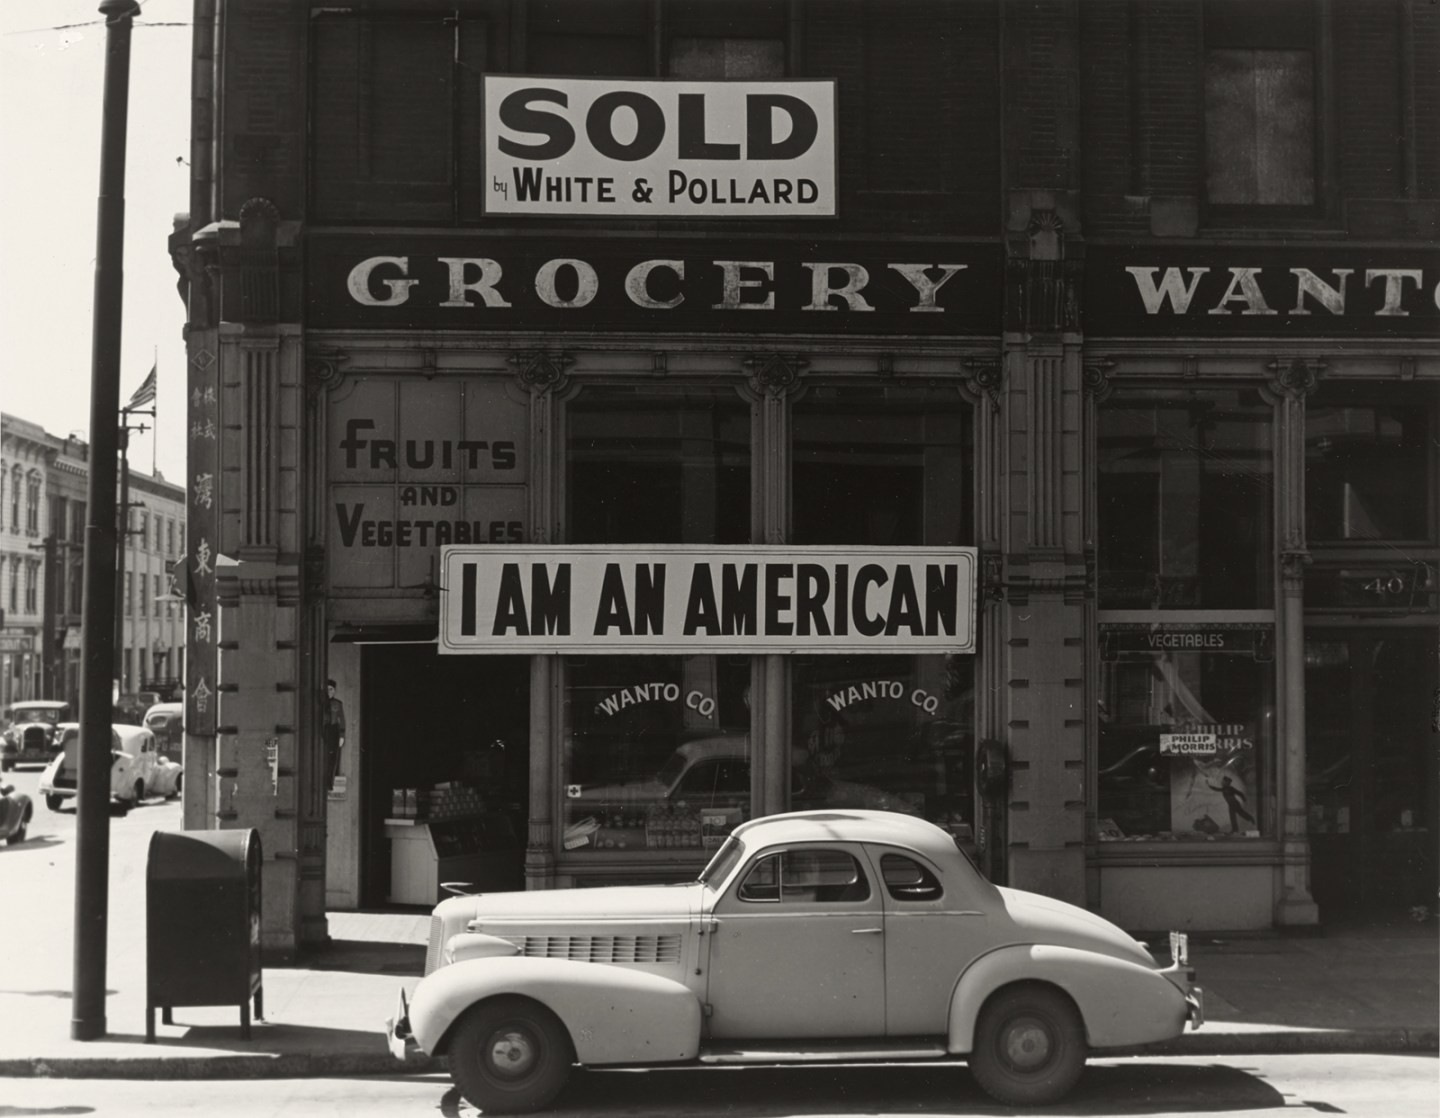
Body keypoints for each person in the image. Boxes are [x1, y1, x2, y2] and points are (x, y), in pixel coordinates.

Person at [322, 679, 346, 793]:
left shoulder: (338, 704)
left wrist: (341, 736)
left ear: (334, 691)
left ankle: (329, 784)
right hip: (323, 731)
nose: (329, 691)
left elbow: (342, 721)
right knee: (323, 758)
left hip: (333, 732)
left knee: (332, 759)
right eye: (327, 689)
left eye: (331, 689)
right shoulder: (320, 704)